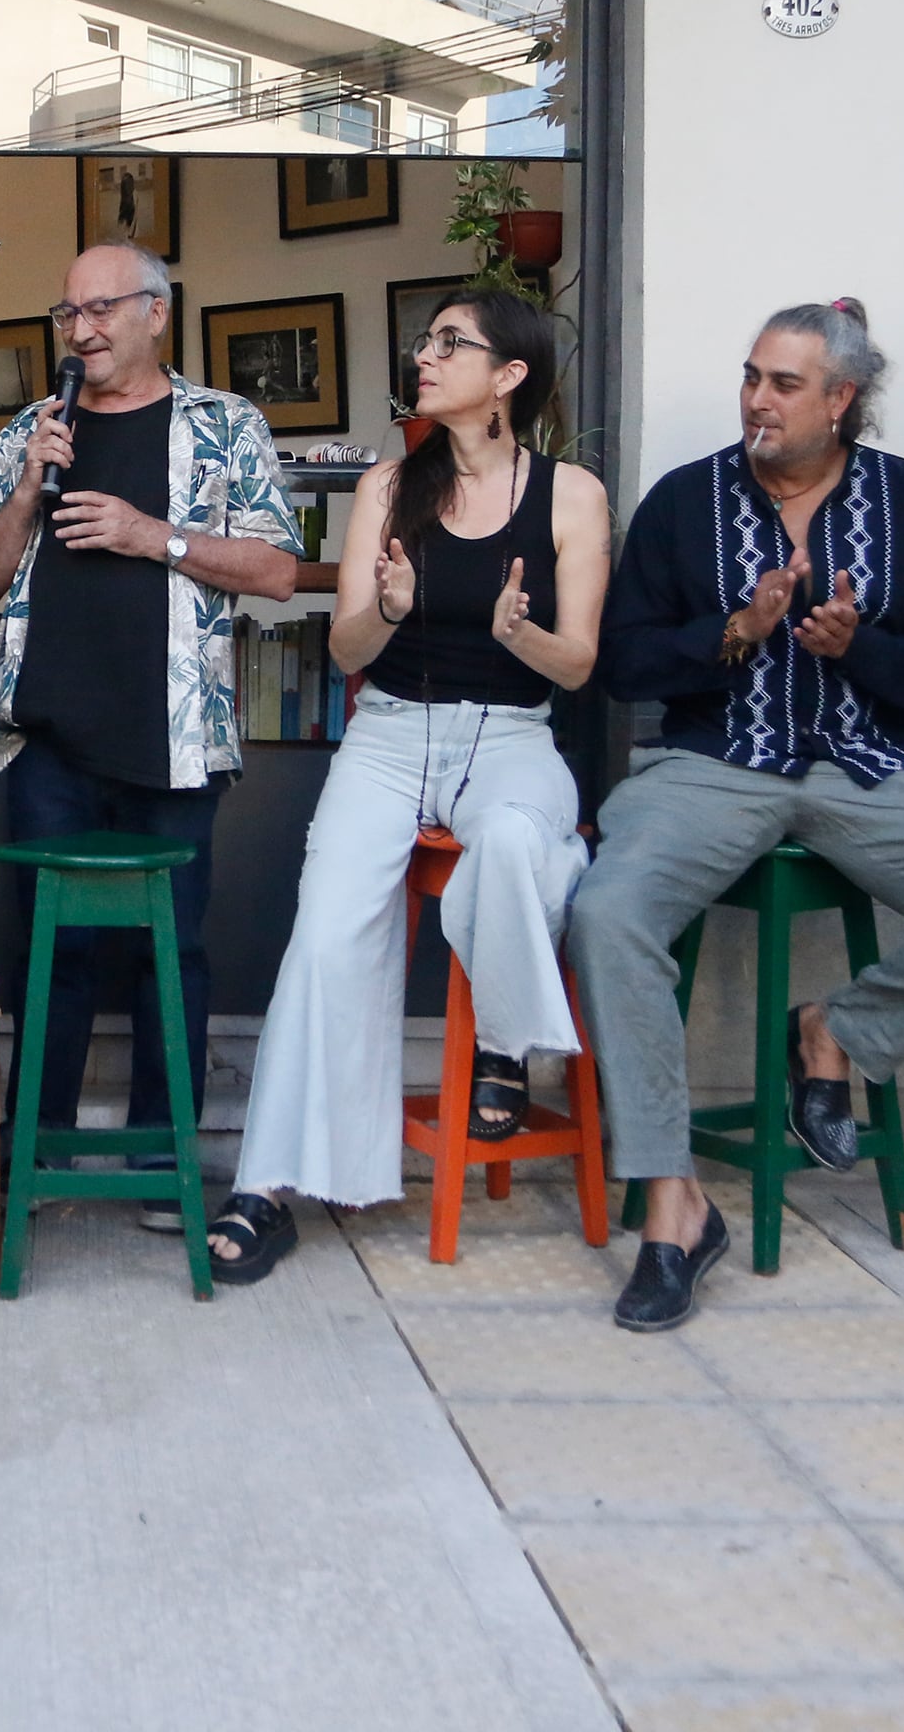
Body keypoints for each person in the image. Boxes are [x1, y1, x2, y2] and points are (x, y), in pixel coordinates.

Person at [572, 300, 904, 1331]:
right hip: (717, 763)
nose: (757, 396)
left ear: (842, 399)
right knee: (606, 913)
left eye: (784, 382)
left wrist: (861, 651)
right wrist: (734, 630)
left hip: (868, 763)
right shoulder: (685, 500)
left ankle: (836, 1030)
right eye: (752, 374)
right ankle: (674, 1207)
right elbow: (621, 663)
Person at [206, 289, 607, 1283]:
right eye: (427, 342)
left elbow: (580, 665)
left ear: (508, 376)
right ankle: (269, 1185)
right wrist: (385, 610)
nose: (424, 357)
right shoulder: (390, 485)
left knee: (517, 841)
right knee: (327, 933)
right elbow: (345, 643)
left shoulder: (572, 495)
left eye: (449, 344)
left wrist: (521, 634)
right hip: (388, 737)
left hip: (513, 735)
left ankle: (508, 1043)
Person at [0, 242, 301, 1227]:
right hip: (50, 737)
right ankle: (40, 1155)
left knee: (172, 951)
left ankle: (161, 1153)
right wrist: (28, 488)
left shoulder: (225, 424)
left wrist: (158, 535)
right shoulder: (35, 427)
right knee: (49, 952)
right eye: (70, 313)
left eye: (103, 308)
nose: (85, 329)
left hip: (176, 738)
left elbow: (279, 570)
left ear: (158, 312)